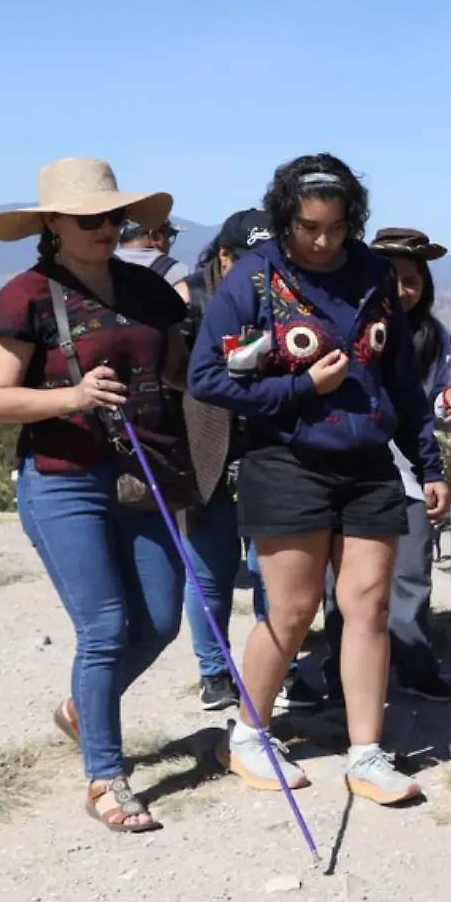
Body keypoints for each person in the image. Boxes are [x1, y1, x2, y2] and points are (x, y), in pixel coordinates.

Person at [188, 153, 448, 806]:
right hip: (287, 461)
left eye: (335, 227)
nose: (323, 241)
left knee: (368, 606)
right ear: (285, 219)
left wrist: (429, 464)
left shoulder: (375, 276)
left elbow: (402, 387)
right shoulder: (253, 277)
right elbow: (207, 378)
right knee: (296, 610)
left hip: (369, 466)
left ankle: (366, 754)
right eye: (308, 227)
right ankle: (249, 732)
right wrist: (302, 386)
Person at [0, 157, 188, 832]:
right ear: (53, 224)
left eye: (115, 217)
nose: (107, 229)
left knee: (159, 620)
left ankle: (79, 709)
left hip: (143, 474)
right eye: (91, 219)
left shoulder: (149, 291)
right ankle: (105, 777)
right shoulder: (27, 295)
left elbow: (188, 366)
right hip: (62, 477)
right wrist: (71, 396)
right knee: (103, 629)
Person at [306, 228, 451, 705]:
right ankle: (340, 679)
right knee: (344, 587)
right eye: (391, 278)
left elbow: (433, 403)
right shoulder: (343, 327)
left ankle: (415, 668)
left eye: (412, 280)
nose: (402, 290)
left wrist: (449, 405)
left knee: (412, 572)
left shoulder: (433, 338)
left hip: (411, 473)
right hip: (349, 471)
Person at [173, 209, 275, 711]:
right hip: (203, 451)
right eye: (250, 261)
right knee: (209, 572)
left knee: (272, 571)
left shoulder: (285, 299)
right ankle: (215, 672)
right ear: (224, 256)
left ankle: (278, 665)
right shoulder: (189, 300)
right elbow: (169, 370)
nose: (261, 272)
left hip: (270, 454)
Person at [115, 216, 186, 284]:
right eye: (169, 236)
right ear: (155, 236)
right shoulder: (177, 270)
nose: (169, 244)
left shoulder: (105, 264)